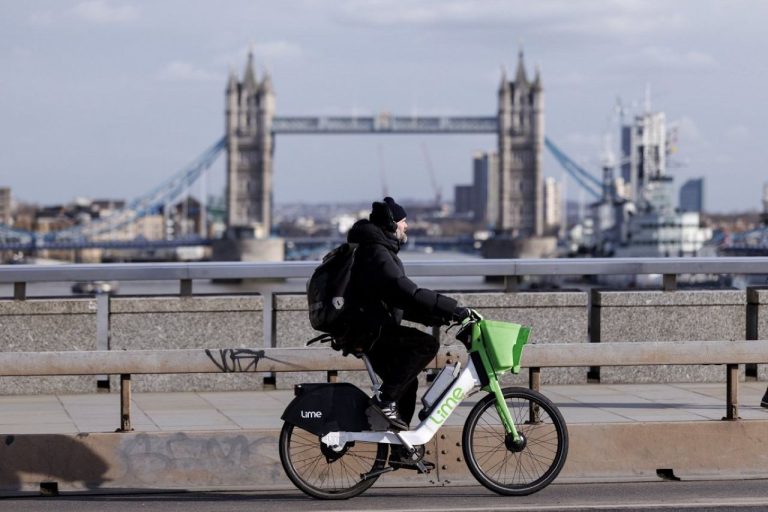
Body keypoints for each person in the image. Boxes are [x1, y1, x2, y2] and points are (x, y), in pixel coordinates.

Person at [345, 197, 469, 439]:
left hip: (367, 327)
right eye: (402, 222)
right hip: (369, 330)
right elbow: (406, 290)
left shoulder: (376, 250)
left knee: (406, 380)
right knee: (427, 345)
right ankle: (385, 402)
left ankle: (400, 443)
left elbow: (397, 302)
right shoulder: (376, 253)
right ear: (391, 225)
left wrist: (436, 316)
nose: (406, 226)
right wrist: (453, 308)